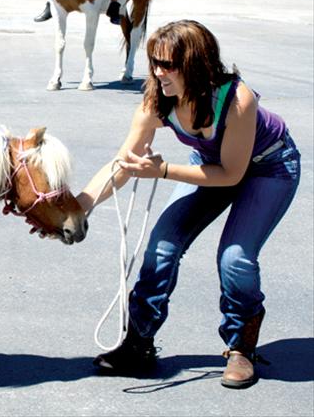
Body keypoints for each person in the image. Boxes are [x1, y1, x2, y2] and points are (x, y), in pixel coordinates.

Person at [75, 20, 300, 389]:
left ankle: (241, 347)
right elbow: (124, 163)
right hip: (213, 166)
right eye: (154, 62)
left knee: (235, 257)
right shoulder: (156, 98)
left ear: (196, 64)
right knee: (162, 247)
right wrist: (79, 206)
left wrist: (162, 170)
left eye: (168, 64)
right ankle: (139, 343)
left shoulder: (237, 99)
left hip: (270, 167)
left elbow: (231, 174)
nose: (158, 72)